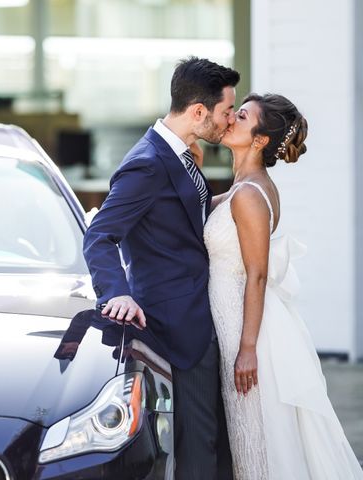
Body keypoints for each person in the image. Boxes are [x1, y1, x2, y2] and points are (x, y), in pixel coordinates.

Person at [83, 57, 238, 479]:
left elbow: (188, 222)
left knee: (204, 441)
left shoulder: (182, 155)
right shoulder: (146, 164)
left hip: (200, 313)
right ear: (199, 112)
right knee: (197, 446)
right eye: (226, 112)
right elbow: (100, 235)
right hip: (177, 324)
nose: (229, 121)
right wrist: (115, 292)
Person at [203, 92, 363, 479]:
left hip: (248, 331)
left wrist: (246, 349)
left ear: (259, 140)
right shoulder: (244, 186)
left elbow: (257, 274)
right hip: (233, 321)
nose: (230, 120)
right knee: (248, 439)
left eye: (240, 116)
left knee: (257, 441)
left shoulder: (250, 195)